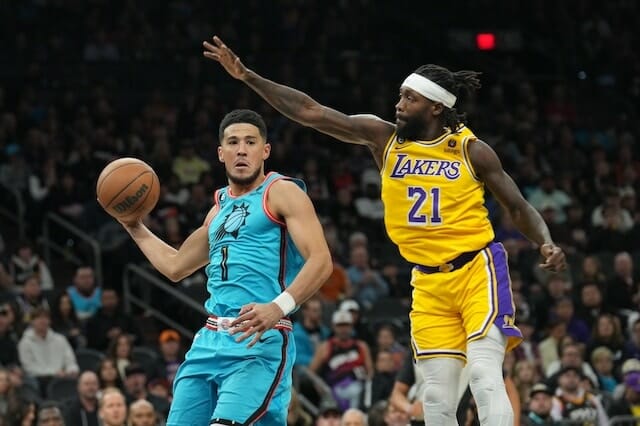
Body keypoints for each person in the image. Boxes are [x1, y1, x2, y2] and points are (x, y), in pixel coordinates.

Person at [204, 36, 566, 426]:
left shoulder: (471, 150)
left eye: (410, 98)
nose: (399, 104)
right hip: (427, 280)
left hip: (477, 269)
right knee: (436, 397)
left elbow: (517, 206)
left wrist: (545, 242)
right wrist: (248, 76)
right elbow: (311, 112)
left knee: (483, 374)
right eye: (400, 95)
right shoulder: (384, 138)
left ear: (436, 107)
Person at [118, 109, 332, 425]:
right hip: (210, 339)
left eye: (250, 142)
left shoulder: (281, 192)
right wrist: (133, 225)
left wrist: (278, 307)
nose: (241, 149)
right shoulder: (217, 210)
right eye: (233, 142)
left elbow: (321, 261)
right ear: (221, 153)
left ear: (265, 151)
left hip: (258, 338)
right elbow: (175, 266)